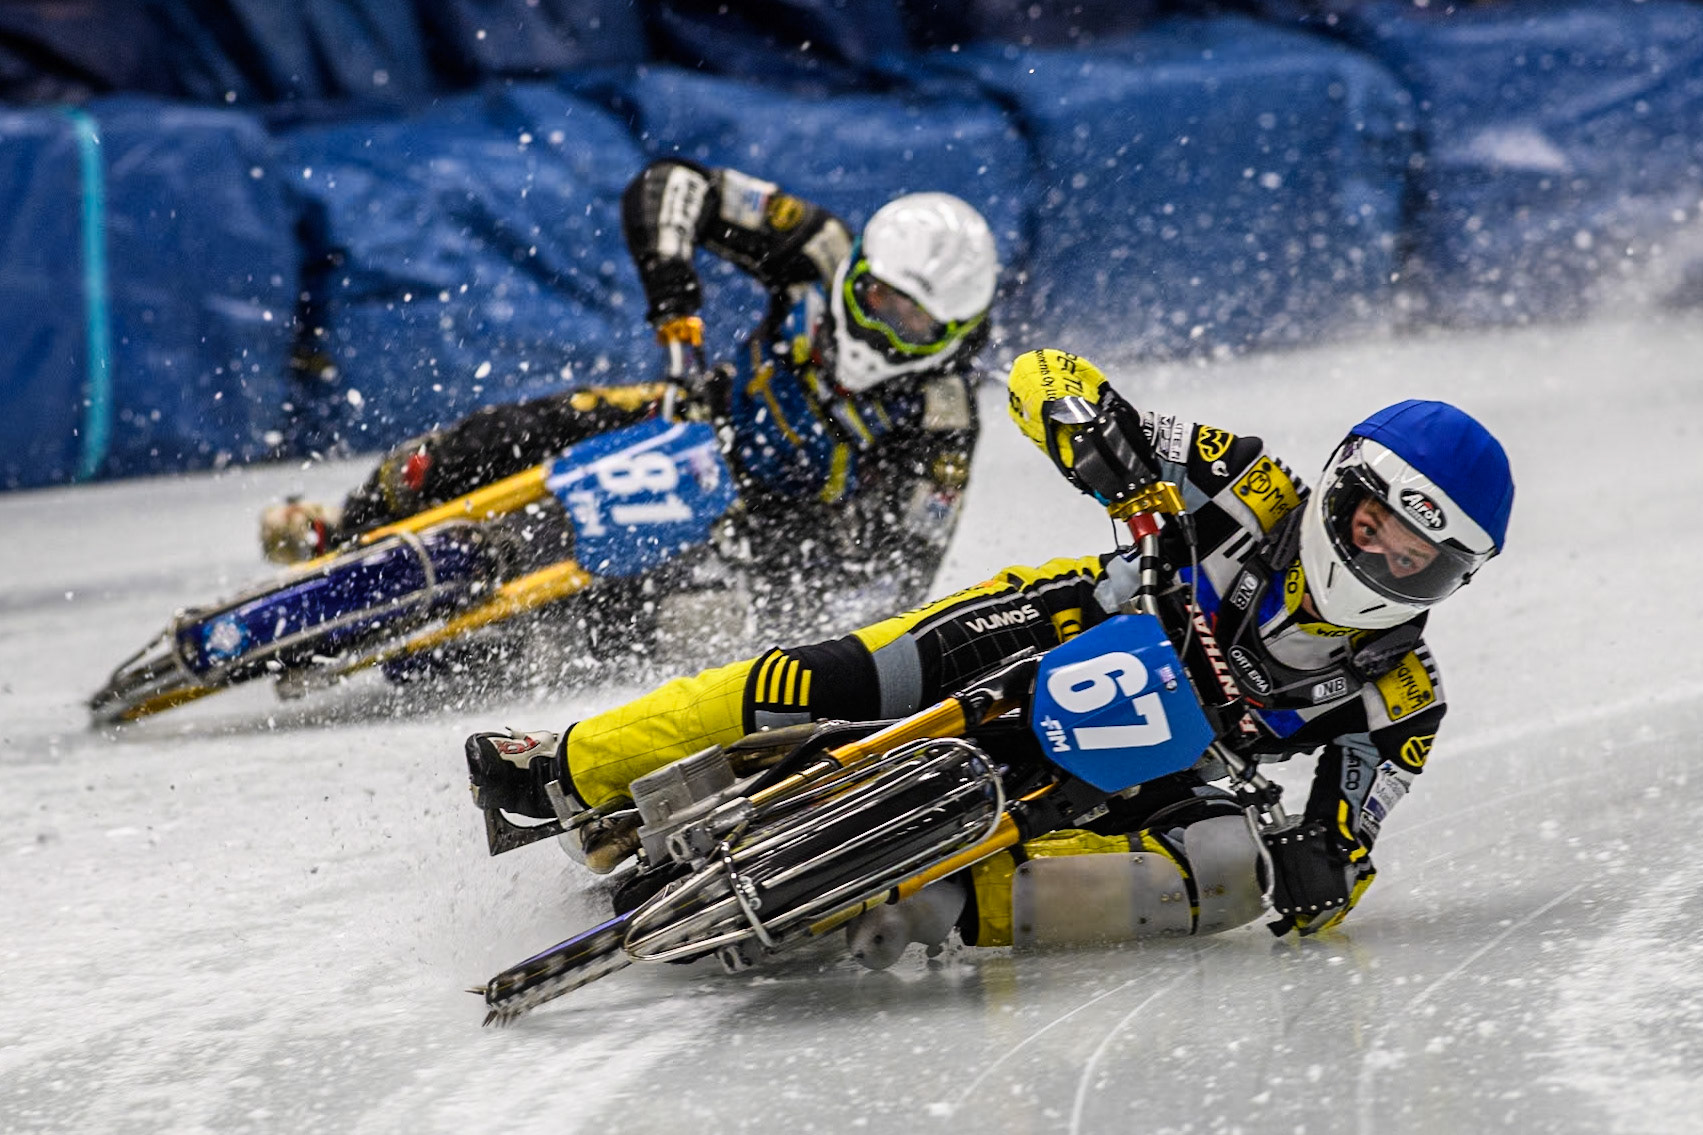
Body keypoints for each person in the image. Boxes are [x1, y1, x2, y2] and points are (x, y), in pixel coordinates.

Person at [465, 347, 1514, 955]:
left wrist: (1318, 869)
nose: (1378, 554)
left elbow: (1346, 860)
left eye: (1415, 554)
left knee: (1225, 877)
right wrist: (1089, 435)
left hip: (1169, 769)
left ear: (1449, 576)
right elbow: (1041, 373)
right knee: (807, 680)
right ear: (1339, 487)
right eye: (1373, 520)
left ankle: (925, 907)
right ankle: (565, 763)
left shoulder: (1401, 701)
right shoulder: (1245, 483)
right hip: (1062, 621)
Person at [262, 159, 1000, 658]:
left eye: (911, 322)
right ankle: (342, 529)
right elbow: (671, 184)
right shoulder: (819, 246)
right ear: (859, 271)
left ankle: (456, 640)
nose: (880, 325)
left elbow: (902, 575)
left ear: (954, 335)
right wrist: (675, 304)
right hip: (688, 408)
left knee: (605, 633)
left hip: (761, 525)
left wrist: (775, 614)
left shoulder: (944, 416)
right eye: (878, 298)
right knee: (485, 438)